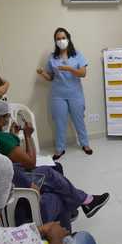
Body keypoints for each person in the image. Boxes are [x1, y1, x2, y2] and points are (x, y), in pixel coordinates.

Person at [0, 114, 110, 231]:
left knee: (48, 172)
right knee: (58, 195)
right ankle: (66, 237)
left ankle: (84, 201)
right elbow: (33, 190)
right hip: (18, 216)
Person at [37, 27, 92, 160]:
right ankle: (60, 148)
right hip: (58, 95)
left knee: (79, 120)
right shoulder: (52, 57)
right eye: (58, 39)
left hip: (75, 93)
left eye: (63, 38)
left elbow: (83, 73)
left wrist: (68, 68)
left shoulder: (77, 55)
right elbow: (50, 78)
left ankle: (85, 144)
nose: (61, 41)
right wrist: (42, 73)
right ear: (55, 41)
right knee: (59, 122)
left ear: (68, 39)